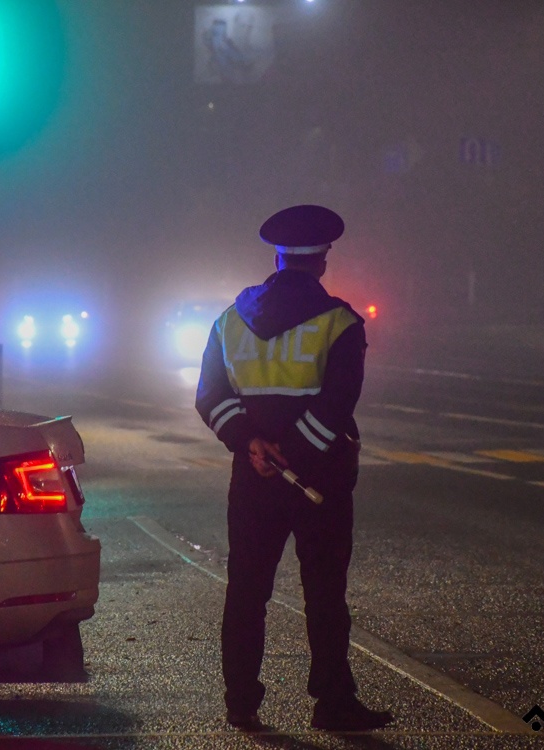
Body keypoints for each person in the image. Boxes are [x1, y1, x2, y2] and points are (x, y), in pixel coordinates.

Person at [195, 204, 394, 733]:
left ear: (277, 257)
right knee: (325, 592)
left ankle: (241, 702)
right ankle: (332, 702)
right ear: (322, 259)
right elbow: (337, 402)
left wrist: (251, 443)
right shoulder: (341, 322)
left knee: (246, 590)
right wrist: (297, 455)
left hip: (253, 478)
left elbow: (210, 395)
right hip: (320, 481)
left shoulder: (229, 320)